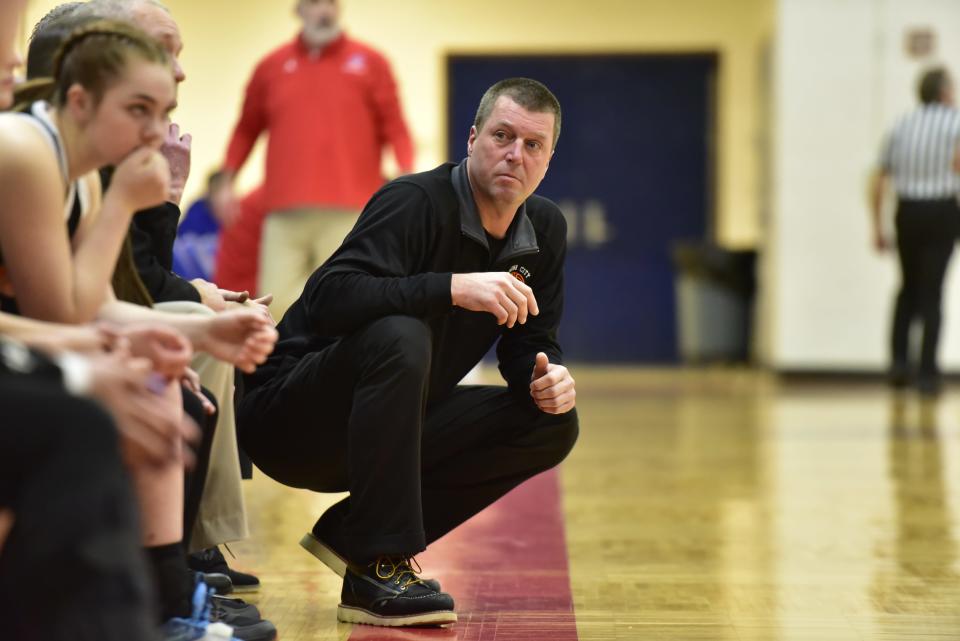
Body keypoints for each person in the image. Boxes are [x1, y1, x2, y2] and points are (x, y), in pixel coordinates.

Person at [237, 78, 579, 627]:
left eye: (532, 145)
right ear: (472, 139)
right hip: (290, 417)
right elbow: (329, 296)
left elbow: (529, 342)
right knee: (403, 332)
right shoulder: (414, 200)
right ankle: (380, 562)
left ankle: (356, 538)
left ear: (548, 159)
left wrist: (544, 376)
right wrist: (450, 286)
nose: (515, 154)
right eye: (502, 135)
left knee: (552, 422)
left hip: (390, 427)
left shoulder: (545, 228)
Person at [222, 0, 415, 319]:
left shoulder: (371, 62)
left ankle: (340, 368)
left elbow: (395, 125)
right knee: (276, 302)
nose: (324, 11)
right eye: (314, 3)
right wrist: (227, 180)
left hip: (350, 208)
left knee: (345, 301)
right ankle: (287, 368)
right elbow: (246, 129)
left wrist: (406, 173)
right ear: (298, 9)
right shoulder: (270, 66)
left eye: (331, 3)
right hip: (284, 209)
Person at [871, 67, 960, 395]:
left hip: (907, 211)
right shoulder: (954, 122)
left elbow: (879, 178)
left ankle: (898, 363)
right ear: (944, 93)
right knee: (933, 291)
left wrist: (876, 224)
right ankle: (927, 373)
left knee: (907, 287)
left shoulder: (900, 125)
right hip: (941, 210)